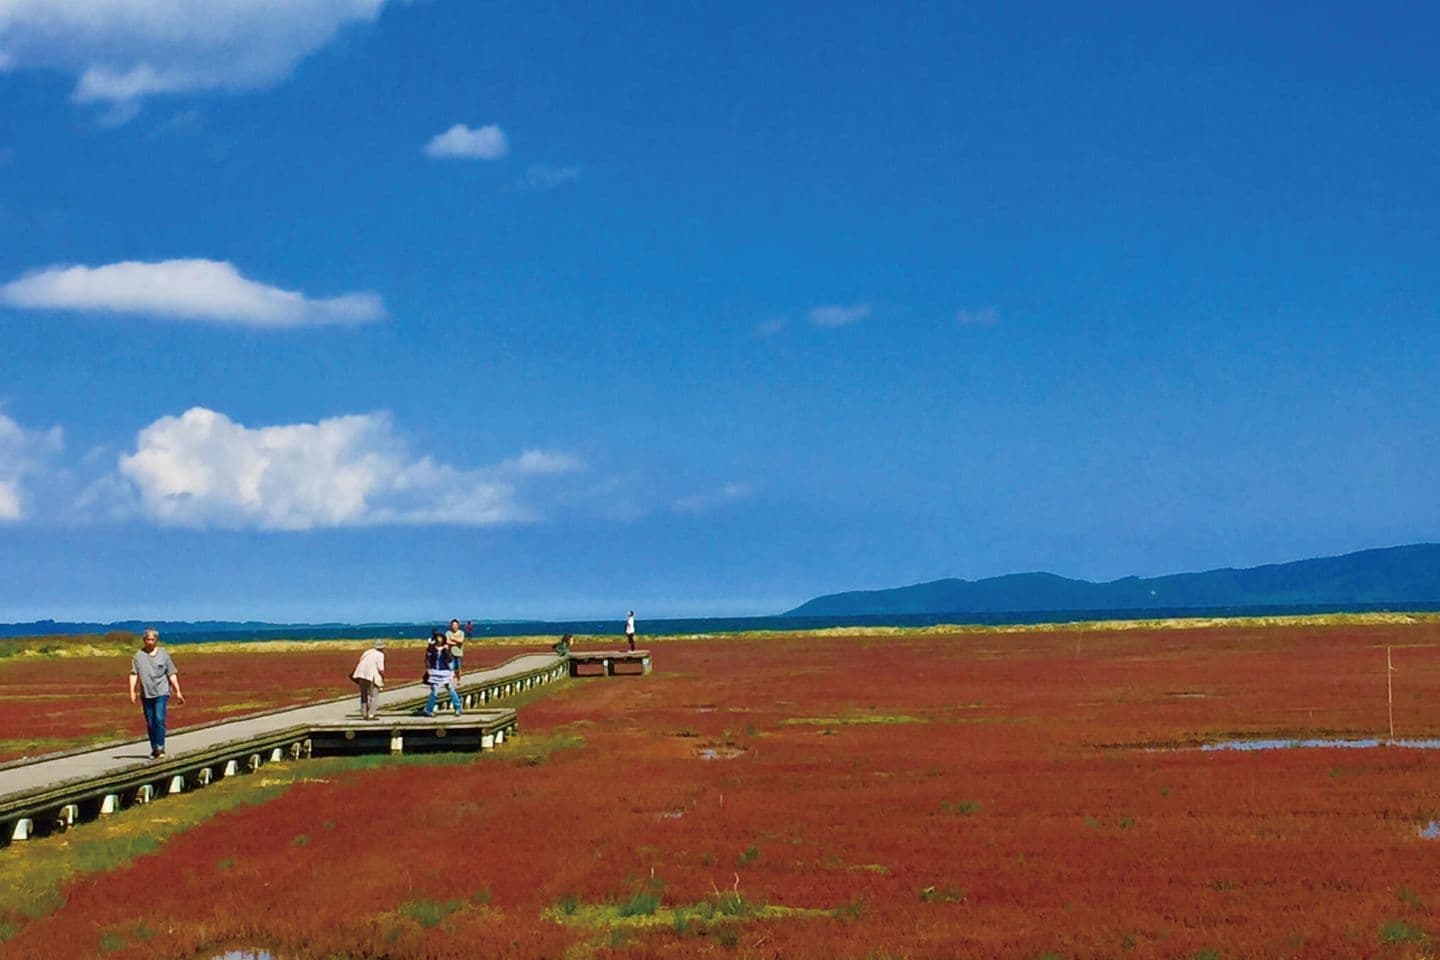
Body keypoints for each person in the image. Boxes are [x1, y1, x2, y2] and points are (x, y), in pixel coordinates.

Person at [128, 627, 185, 760]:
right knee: (150, 722)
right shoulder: (138, 656)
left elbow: (171, 673)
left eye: (152, 640)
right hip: (146, 693)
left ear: (156, 640)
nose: (150, 642)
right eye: (148, 639)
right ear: (144, 640)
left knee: (159, 719)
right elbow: (133, 674)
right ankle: (154, 748)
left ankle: (160, 747)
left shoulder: (163, 654)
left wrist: (178, 691)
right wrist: (132, 691)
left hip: (161, 691)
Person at [423, 629, 462, 717]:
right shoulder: (431, 648)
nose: (439, 639)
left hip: (445, 671)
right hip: (434, 672)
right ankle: (429, 709)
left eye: (440, 637)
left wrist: (447, 651)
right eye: (437, 637)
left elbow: (450, 660)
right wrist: (428, 669)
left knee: (450, 689)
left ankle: (458, 708)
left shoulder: (446, 648)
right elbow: (427, 659)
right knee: (434, 691)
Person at [351, 640, 386, 720]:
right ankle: (371, 715)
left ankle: (364, 713)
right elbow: (381, 668)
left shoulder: (367, 652)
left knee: (364, 695)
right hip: (371, 677)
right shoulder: (380, 655)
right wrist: (382, 677)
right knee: (374, 696)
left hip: (361, 675)